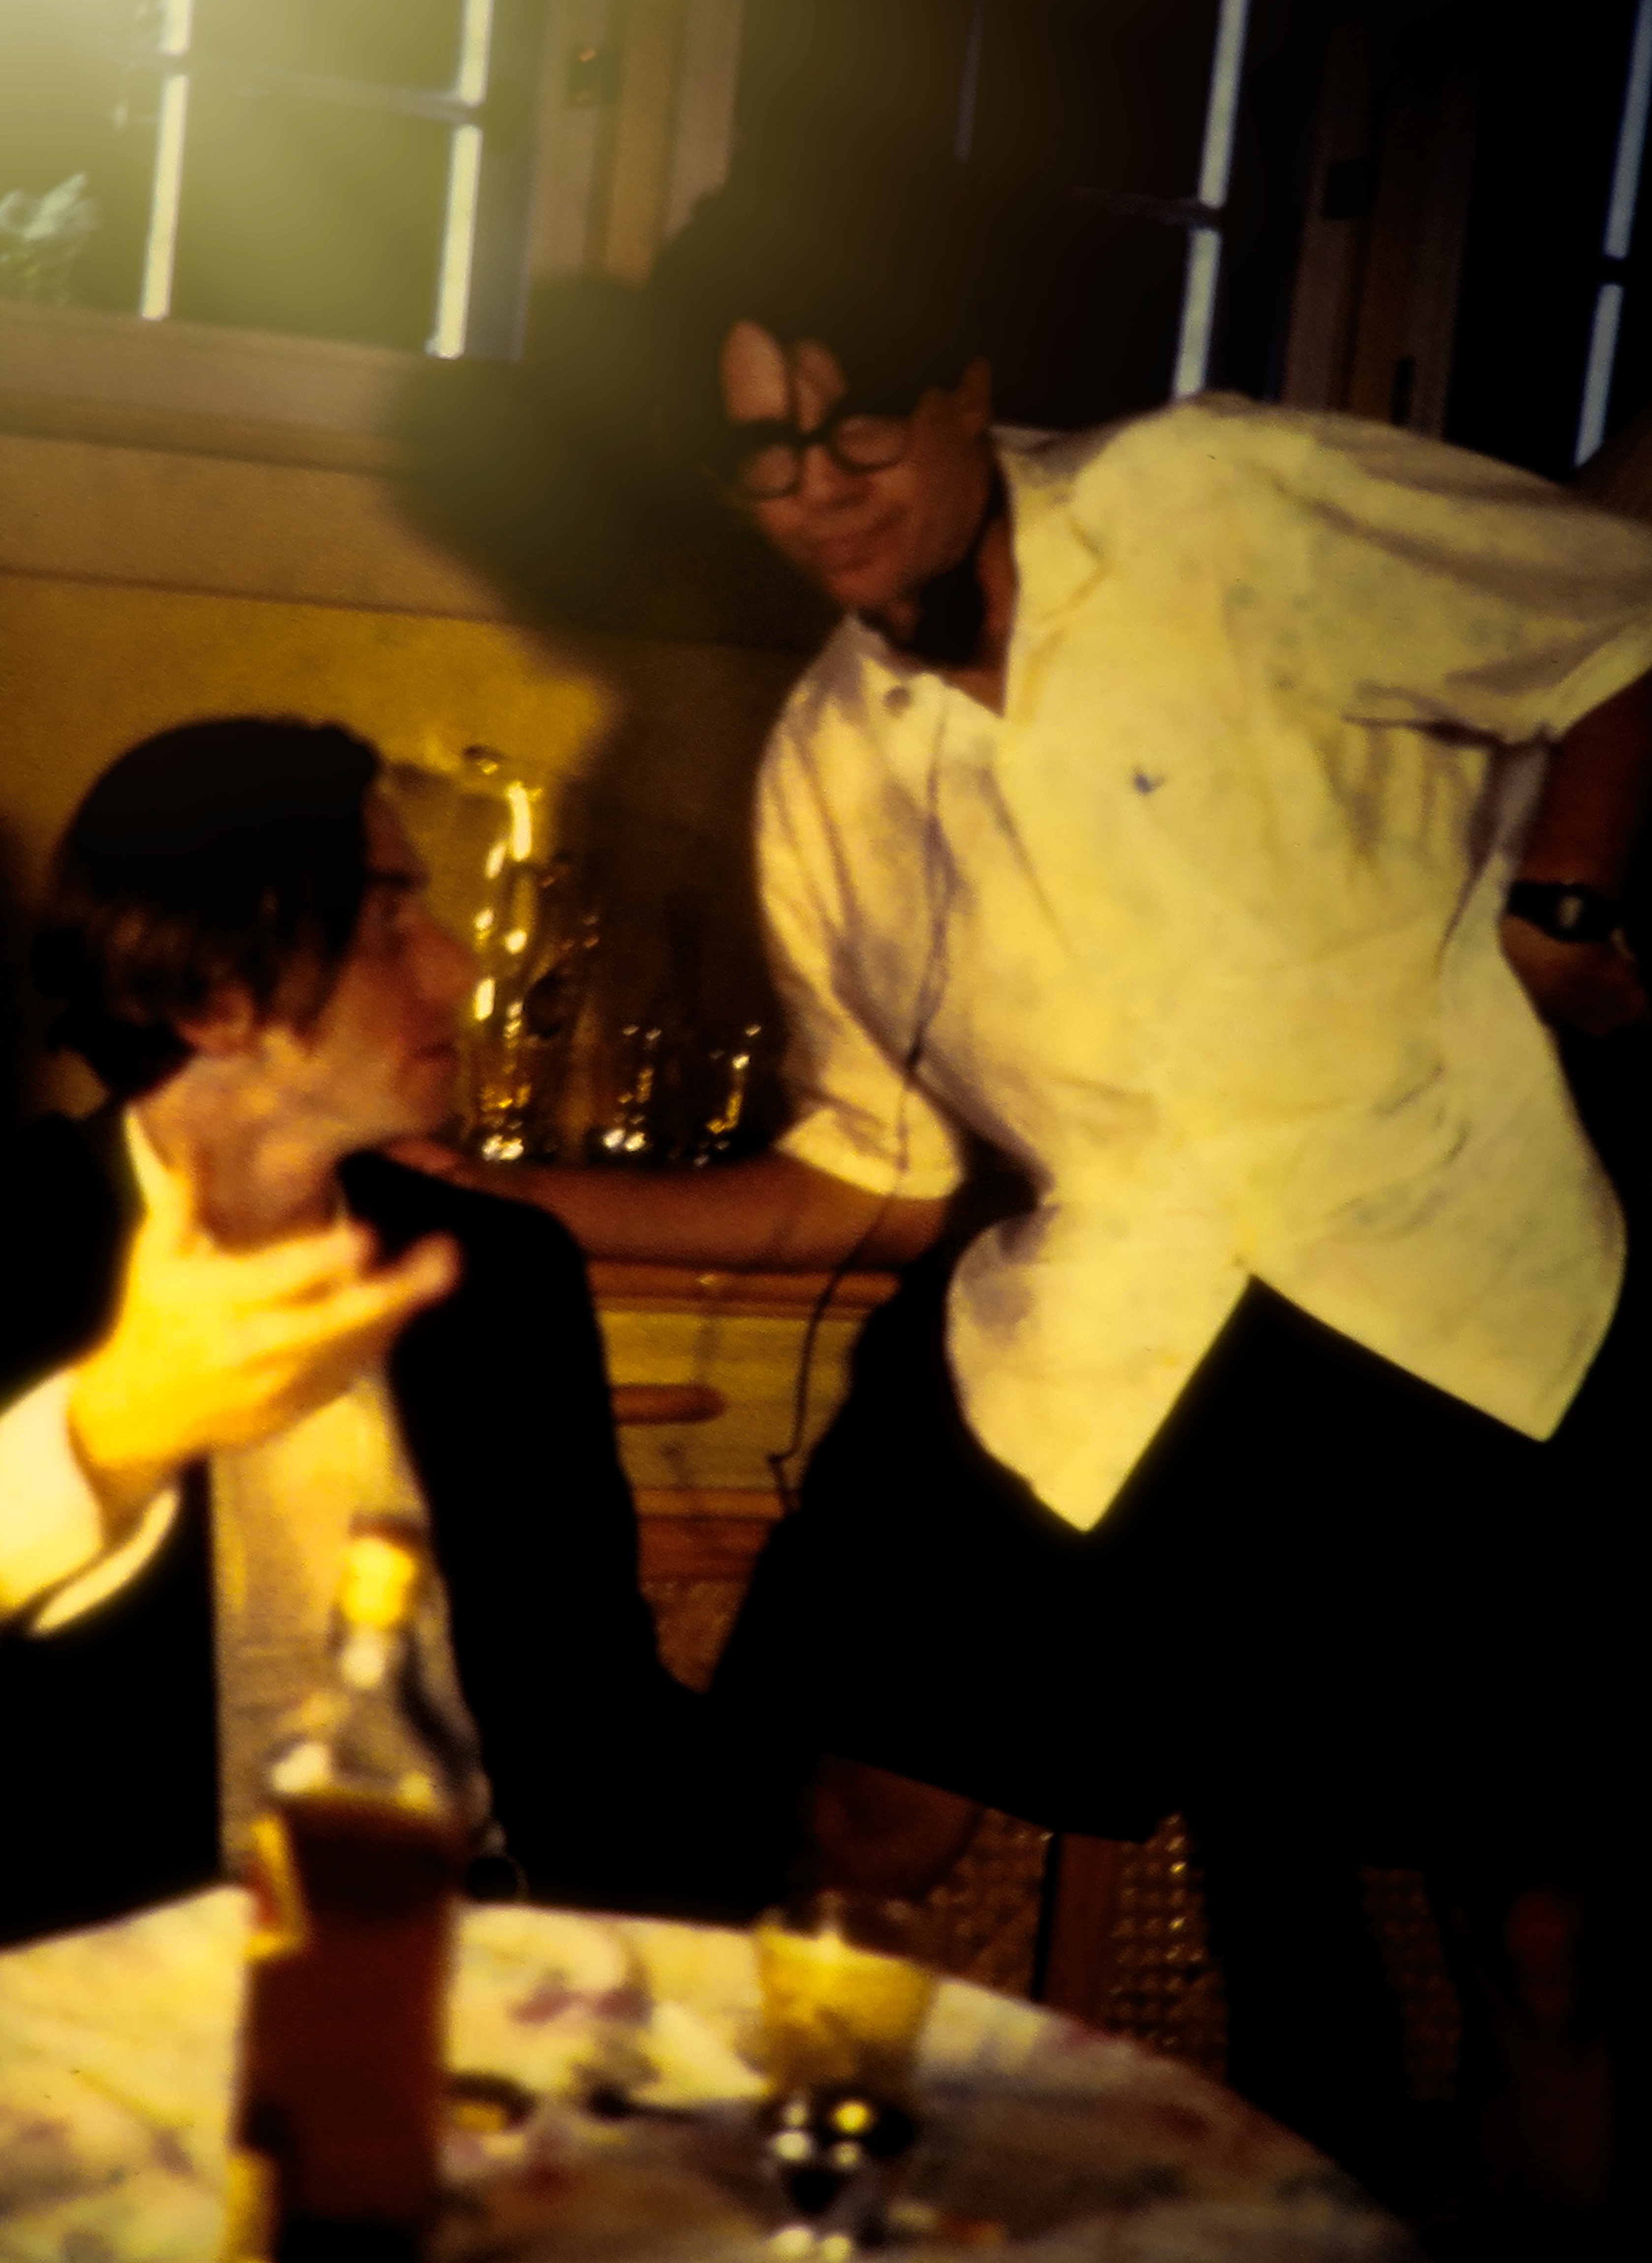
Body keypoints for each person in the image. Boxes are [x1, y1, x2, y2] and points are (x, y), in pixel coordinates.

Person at [395, 155, 1652, 2225]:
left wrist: (1560, 901)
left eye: (855, 427)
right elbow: (865, 1185)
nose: (817, 491)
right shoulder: (825, 774)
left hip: (1455, 1296)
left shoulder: (1209, 500)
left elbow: (1615, 616)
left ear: (967, 389)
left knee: (1537, 1934)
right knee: (845, 1836)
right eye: (760, 457)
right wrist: (501, 1189)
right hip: (1101, 1345)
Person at [0, 716, 730, 1950]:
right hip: (121, 1998)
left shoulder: (498, 1273)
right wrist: (104, 1435)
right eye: (387, 919)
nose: (454, 966)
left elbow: (597, 1712)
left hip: (490, 1962)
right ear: (215, 989)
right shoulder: (14, 1255)